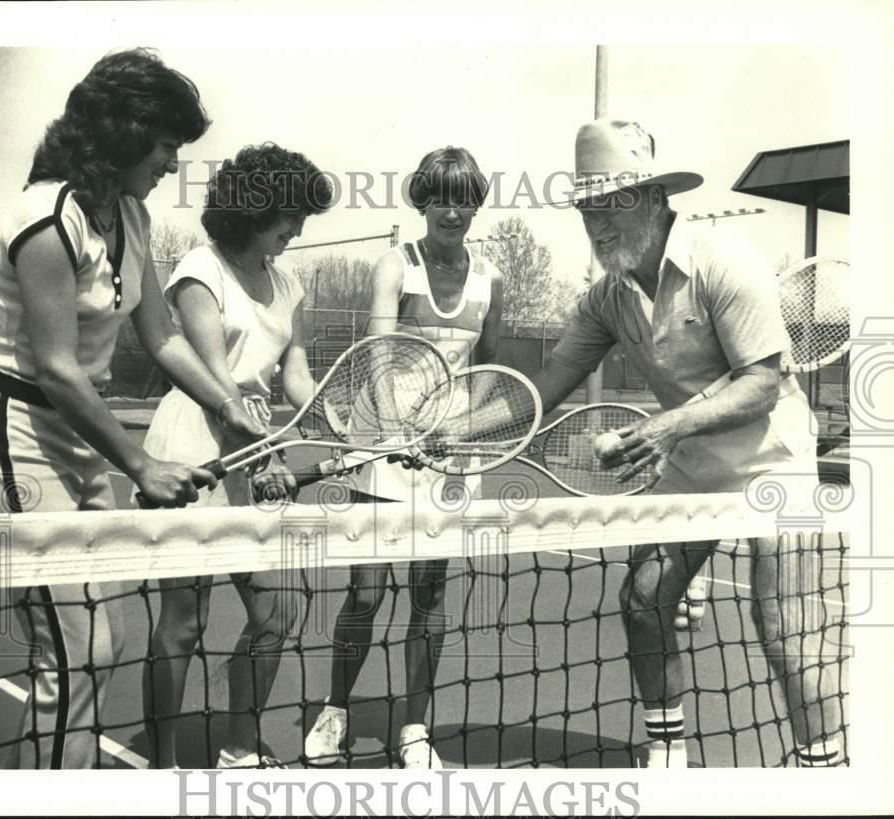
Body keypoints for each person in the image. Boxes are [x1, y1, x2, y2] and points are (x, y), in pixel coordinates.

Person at [0, 50, 270, 768]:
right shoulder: (45, 218)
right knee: (75, 650)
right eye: (166, 145)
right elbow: (59, 369)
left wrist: (228, 407)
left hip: (76, 441)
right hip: (18, 437)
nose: (171, 161)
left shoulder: (131, 214)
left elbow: (160, 337)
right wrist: (142, 463)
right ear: (125, 132)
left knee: (106, 639)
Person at [528, 119, 844, 768]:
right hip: (695, 468)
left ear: (651, 198)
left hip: (775, 464)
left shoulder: (723, 261)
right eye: (588, 207)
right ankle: (668, 752)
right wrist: (449, 431)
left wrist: (664, 427)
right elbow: (540, 387)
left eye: (611, 203)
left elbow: (761, 382)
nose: (598, 222)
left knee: (785, 628)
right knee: (644, 598)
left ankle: (825, 761)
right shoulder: (606, 299)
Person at [303, 147, 504, 769]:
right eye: (442, 198)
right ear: (423, 201)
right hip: (382, 440)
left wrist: (457, 427)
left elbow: (491, 372)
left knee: (429, 592)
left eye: (465, 198)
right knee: (366, 591)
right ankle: (336, 710)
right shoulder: (396, 264)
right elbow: (379, 351)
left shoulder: (490, 276)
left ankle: (415, 728)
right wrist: (395, 431)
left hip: (446, 452)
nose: (454, 211)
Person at [141, 143, 332, 769]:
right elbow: (218, 383)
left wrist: (336, 417)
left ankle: (240, 748)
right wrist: (265, 456)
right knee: (183, 624)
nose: (297, 231)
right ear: (258, 207)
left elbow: (296, 375)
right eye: (291, 216)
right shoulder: (200, 268)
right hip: (192, 451)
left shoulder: (288, 282)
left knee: (277, 614)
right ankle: (162, 764)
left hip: (255, 454)